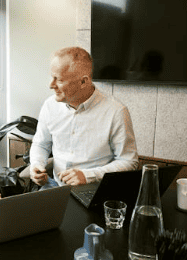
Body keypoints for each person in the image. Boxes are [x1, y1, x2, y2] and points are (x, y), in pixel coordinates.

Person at [29, 47, 138, 188]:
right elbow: (41, 144)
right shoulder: (49, 106)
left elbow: (129, 161)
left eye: (59, 79)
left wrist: (88, 176)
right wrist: (37, 164)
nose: (51, 85)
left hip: (95, 189)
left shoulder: (116, 111)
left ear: (84, 82)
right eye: (52, 77)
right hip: (54, 186)